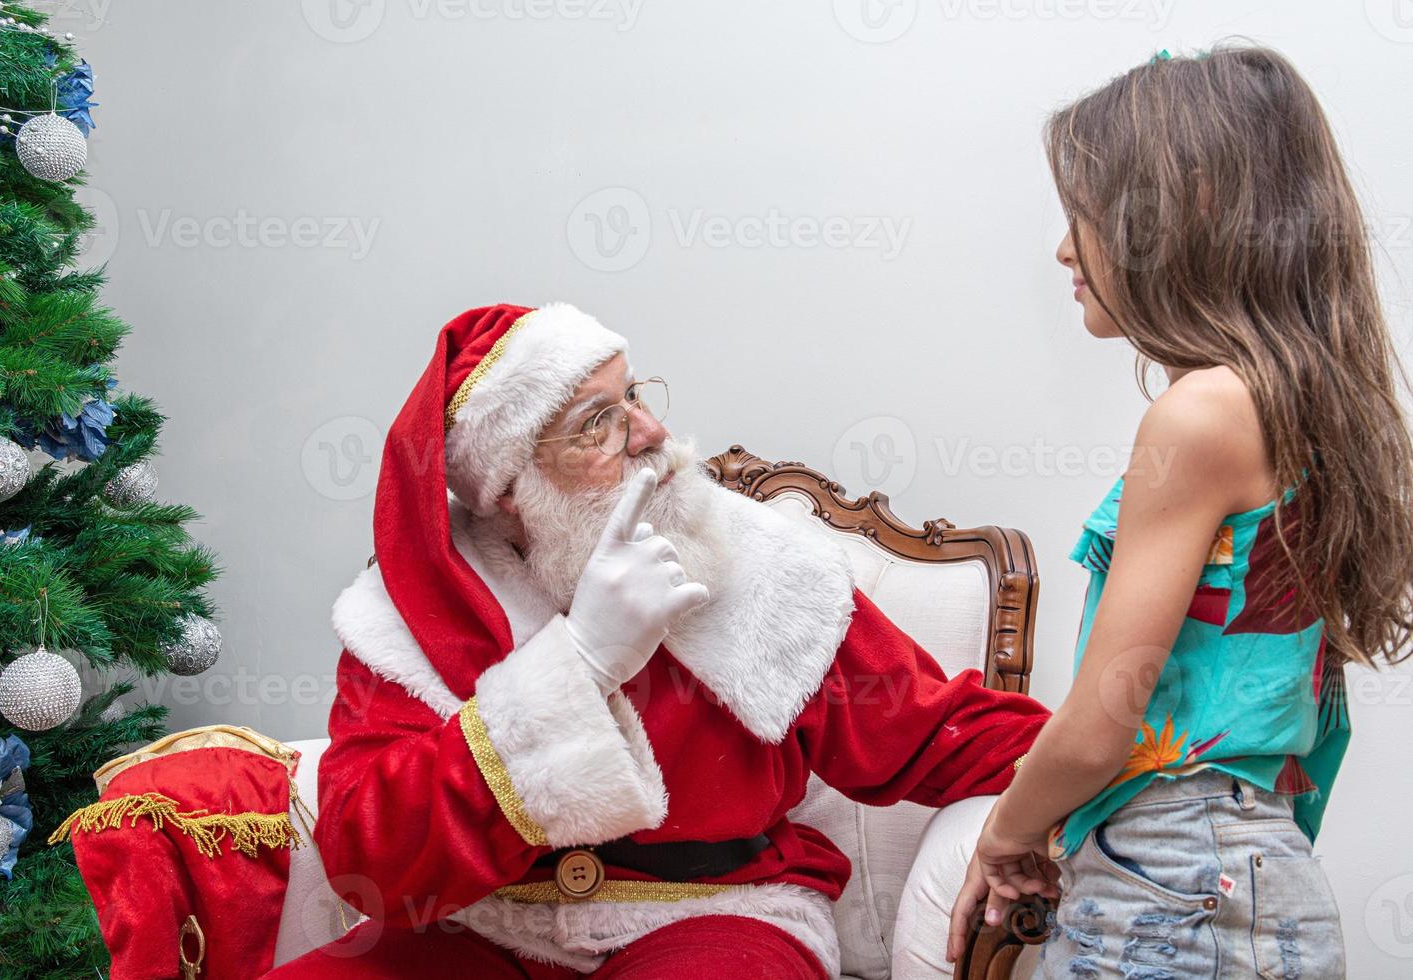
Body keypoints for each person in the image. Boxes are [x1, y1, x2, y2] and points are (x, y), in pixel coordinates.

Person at [266, 301, 1049, 979]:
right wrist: (579, 662)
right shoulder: (412, 616)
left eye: (633, 394)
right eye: (596, 423)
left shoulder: (756, 565)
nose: (652, 432)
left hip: (718, 913)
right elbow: (369, 858)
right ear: (508, 493)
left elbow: (934, 733)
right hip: (486, 928)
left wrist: (1115, 758)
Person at [947, 43, 1413, 979]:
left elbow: (1104, 716)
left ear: (1182, 209)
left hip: (1173, 880)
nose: (1064, 248)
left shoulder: (1201, 414)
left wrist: (1004, 831)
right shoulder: (1295, 405)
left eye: (1083, 211)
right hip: (1247, 875)